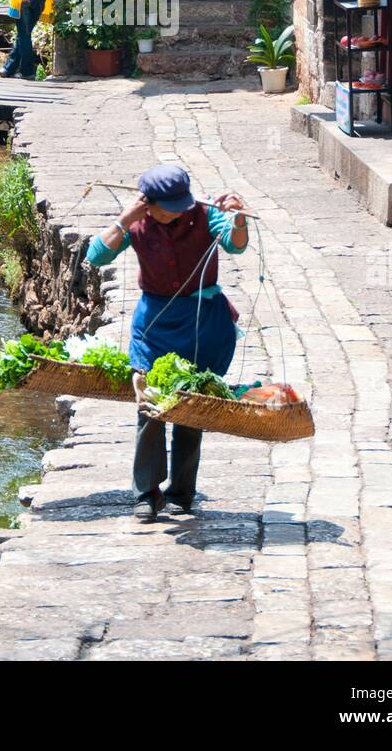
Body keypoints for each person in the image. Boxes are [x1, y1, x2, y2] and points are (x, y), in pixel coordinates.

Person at [85, 164, 248, 521]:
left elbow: (237, 247)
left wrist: (237, 218)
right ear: (148, 203)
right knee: (150, 405)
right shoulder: (138, 223)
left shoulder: (205, 215)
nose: (179, 211)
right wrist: (123, 220)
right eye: (170, 206)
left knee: (192, 406)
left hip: (204, 322)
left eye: (182, 204)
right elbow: (96, 256)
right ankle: (146, 492)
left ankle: (182, 493)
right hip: (155, 324)